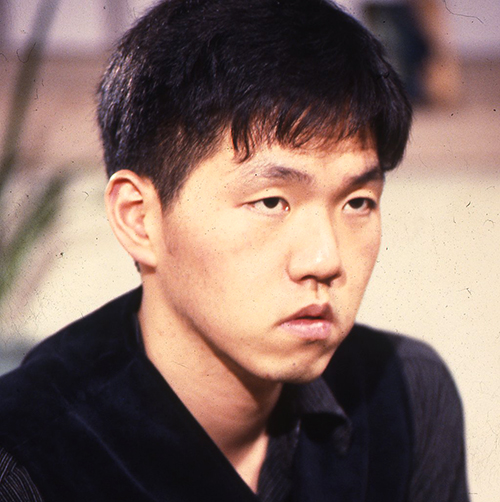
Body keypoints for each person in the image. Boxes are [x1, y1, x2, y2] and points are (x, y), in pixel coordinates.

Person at [0, 0, 469, 500]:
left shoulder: (407, 393)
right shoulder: (27, 458)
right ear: (139, 218)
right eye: (271, 202)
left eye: (357, 202)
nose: (325, 260)